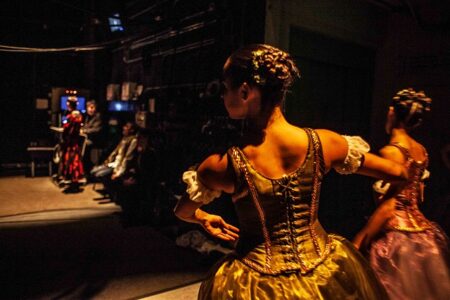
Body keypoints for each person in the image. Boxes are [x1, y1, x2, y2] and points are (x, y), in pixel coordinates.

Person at [174, 44, 409, 299]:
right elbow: (399, 173)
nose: (222, 96)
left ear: (244, 92)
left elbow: (183, 211)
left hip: (255, 284)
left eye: (225, 88)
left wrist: (202, 218)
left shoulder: (222, 166)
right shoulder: (325, 143)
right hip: (324, 273)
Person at [352, 88, 450, 299]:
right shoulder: (421, 150)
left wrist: (361, 239)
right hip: (422, 232)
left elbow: (390, 205)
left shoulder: (392, 151)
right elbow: (420, 196)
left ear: (392, 114)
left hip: (396, 233)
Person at [90, 122, 138, 197]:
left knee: (100, 174)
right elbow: (115, 152)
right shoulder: (124, 138)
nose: (124, 128)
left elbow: (127, 159)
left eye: (126, 127)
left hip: (118, 166)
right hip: (114, 163)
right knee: (93, 171)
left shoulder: (133, 140)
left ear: (132, 130)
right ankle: (110, 189)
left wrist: (118, 173)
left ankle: (113, 192)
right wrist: (108, 161)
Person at [59, 96, 84, 192]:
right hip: (74, 141)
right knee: (73, 161)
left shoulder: (72, 115)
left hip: (71, 142)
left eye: (68, 103)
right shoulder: (78, 115)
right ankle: (73, 182)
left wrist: (64, 133)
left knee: (72, 161)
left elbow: (68, 129)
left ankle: (73, 181)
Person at [81, 100, 103, 173]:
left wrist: (84, 131)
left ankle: (87, 171)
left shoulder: (98, 117)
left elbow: (96, 129)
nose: (90, 109)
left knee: (83, 147)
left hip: (94, 141)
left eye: (92, 107)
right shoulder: (87, 117)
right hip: (87, 139)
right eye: (89, 107)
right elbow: (85, 127)